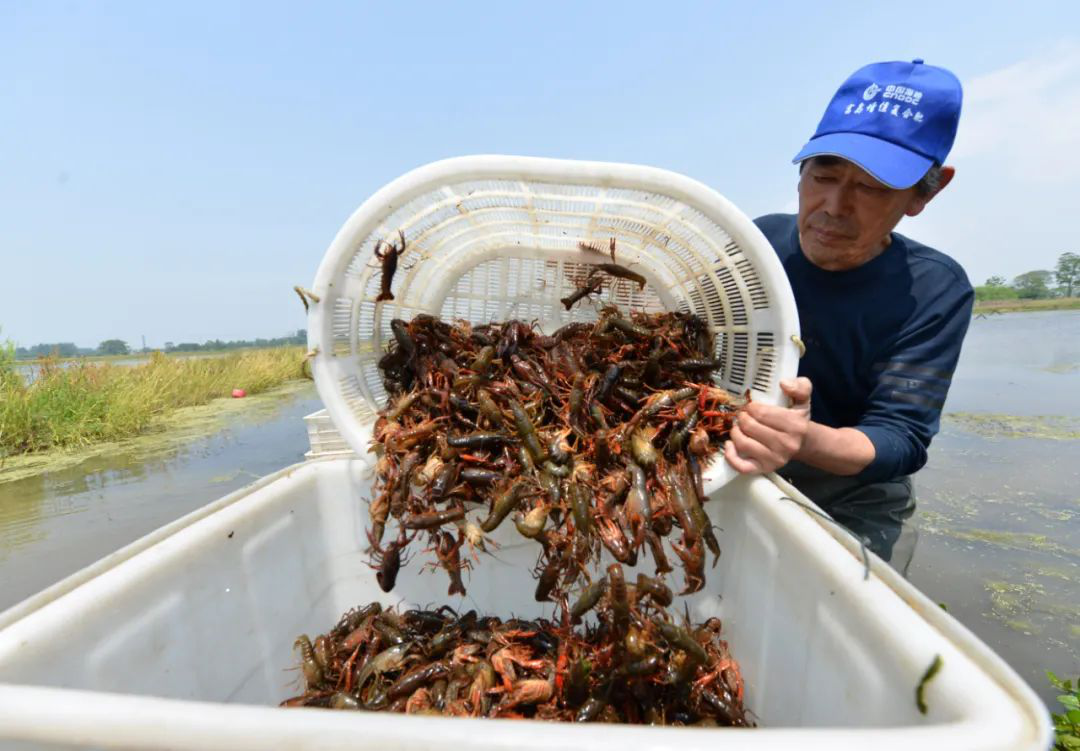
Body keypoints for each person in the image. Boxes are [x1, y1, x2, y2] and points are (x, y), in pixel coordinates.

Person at [726, 60, 973, 574]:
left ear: (928, 192)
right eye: (824, 174)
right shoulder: (753, 248)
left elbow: (899, 437)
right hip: (738, 458)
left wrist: (804, 439)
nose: (834, 206)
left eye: (873, 187)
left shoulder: (933, 289)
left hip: (855, 492)